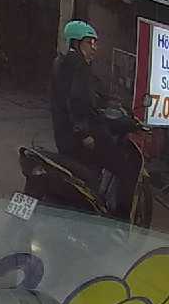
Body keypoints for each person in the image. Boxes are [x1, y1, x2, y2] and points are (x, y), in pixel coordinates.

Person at [51, 20, 134, 215]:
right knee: (125, 170)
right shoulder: (78, 66)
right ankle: (120, 220)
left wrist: (108, 101)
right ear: (76, 43)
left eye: (95, 43)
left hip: (64, 133)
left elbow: (87, 95)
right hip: (78, 136)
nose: (94, 48)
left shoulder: (63, 62)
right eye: (90, 43)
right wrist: (84, 133)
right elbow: (76, 102)